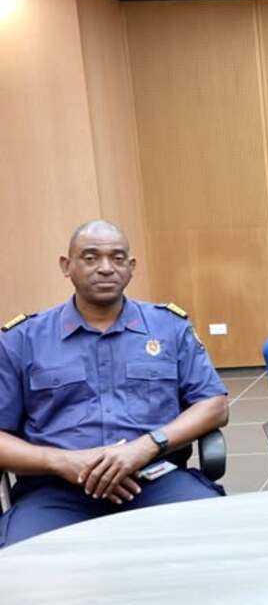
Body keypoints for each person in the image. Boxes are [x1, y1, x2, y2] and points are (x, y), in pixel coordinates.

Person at [0, 220, 229, 547]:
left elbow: (214, 404)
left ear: (131, 267)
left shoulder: (169, 327)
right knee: (24, 560)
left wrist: (146, 446)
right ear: (66, 266)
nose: (106, 268)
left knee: (216, 539)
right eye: (90, 257)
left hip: (154, 480)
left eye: (117, 258)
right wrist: (62, 462)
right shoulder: (22, 339)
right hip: (56, 490)